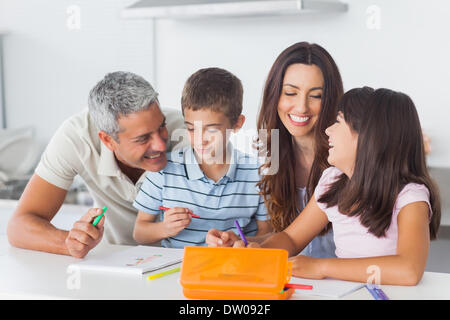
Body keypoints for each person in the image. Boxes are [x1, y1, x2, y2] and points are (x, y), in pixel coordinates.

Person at [236, 87, 441, 286]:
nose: (327, 130)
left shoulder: (410, 196)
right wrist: (258, 253)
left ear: (367, 137)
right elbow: (290, 238)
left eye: (338, 122)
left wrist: (321, 267)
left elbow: (409, 270)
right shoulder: (332, 181)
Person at [7, 71, 188, 258]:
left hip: (182, 262)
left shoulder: (191, 136)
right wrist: (70, 243)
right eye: (143, 138)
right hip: (114, 260)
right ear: (107, 140)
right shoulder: (77, 138)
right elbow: (19, 226)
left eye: (161, 126)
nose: (160, 144)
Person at [207, 42, 343, 257]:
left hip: (345, 280)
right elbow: (289, 237)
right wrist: (240, 242)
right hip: (297, 278)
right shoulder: (272, 158)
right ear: (274, 94)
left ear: (331, 100)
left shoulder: (345, 160)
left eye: (315, 96)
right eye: (290, 93)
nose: (301, 107)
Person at [133, 67, 271, 248]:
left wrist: (238, 242)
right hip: (177, 271)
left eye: (211, 129)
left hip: (232, 268)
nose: (200, 140)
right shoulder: (164, 170)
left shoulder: (256, 173)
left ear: (237, 124)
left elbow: (267, 233)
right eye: (191, 128)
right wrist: (164, 228)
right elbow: (139, 233)